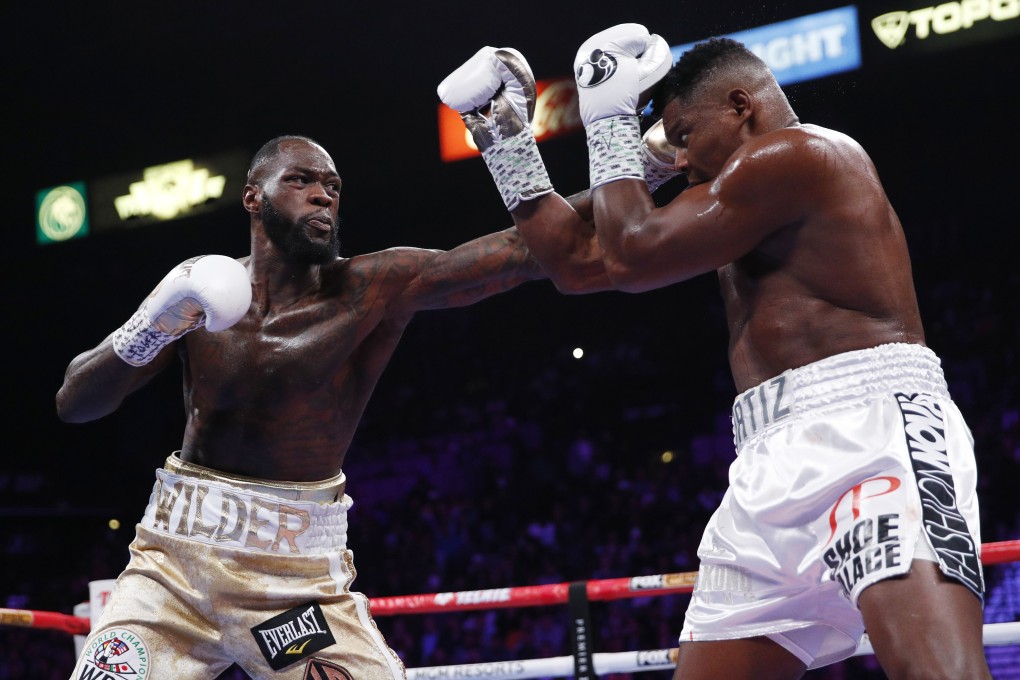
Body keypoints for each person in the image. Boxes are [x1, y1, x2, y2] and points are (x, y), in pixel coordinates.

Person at [437, 24, 990, 680]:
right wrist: (503, 135)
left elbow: (631, 254)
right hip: (767, 461)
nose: (680, 159)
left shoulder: (803, 154)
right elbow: (578, 264)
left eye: (684, 134)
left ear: (739, 106)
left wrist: (610, 115)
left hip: (871, 436)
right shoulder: (740, 192)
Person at [55, 134, 553, 679]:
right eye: (301, 180)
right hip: (170, 570)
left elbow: (522, 252)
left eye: (332, 186)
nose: (322, 195)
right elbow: (74, 403)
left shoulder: (370, 287)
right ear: (253, 197)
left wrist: (620, 158)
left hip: (292, 589)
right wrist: (152, 325)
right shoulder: (200, 295)